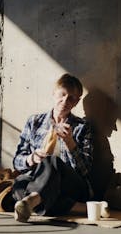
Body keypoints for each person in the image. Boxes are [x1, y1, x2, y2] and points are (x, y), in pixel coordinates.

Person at [12, 73, 93, 222]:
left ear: (76, 102)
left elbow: (85, 170)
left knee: (51, 161)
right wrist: (31, 158)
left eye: (71, 98)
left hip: (70, 184)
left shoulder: (82, 127)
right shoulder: (34, 121)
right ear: (54, 94)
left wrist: (70, 142)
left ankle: (34, 198)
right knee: (18, 183)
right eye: (62, 95)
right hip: (39, 177)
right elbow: (17, 161)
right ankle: (77, 207)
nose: (65, 101)